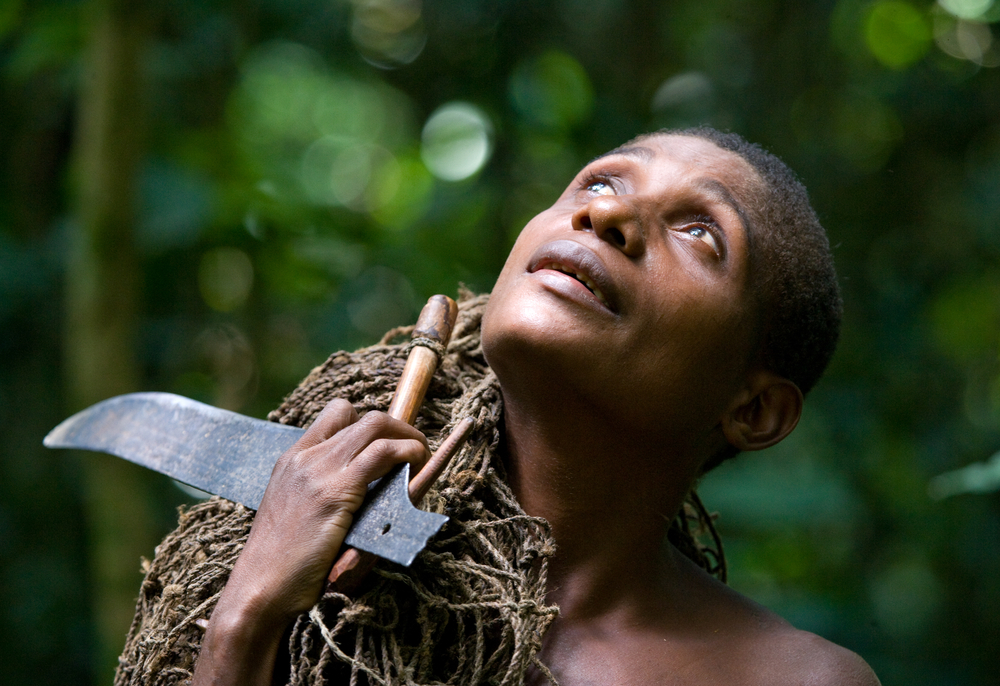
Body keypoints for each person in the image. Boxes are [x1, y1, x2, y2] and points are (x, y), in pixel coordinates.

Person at [128, 128, 880, 685]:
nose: (606, 217)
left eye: (699, 233)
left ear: (755, 410)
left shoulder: (799, 680)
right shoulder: (313, 572)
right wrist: (248, 611)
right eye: (599, 184)